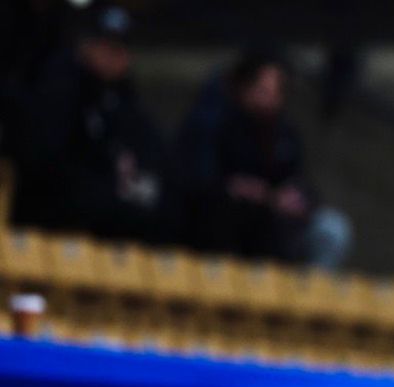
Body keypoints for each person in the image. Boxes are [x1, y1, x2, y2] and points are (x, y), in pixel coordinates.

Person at [8, 4, 178, 243]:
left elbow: (154, 163)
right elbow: (45, 156)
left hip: (107, 223)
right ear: (85, 45)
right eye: (104, 46)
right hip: (50, 218)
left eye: (119, 49)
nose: (111, 57)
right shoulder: (59, 87)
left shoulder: (128, 104)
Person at [178, 46, 351, 268]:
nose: (270, 99)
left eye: (277, 91)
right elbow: (194, 179)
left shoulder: (283, 132)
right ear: (243, 86)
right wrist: (232, 188)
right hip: (222, 221)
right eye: (263, 89)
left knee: (331, 228)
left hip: (273, 221)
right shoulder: (212, 122)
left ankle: (302, 290)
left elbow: (300, 180)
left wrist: (297, 197)